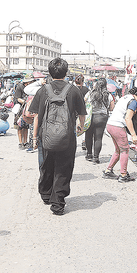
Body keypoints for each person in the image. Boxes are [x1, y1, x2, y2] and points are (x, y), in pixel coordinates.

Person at [30, 58, 87, 215]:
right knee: (63, 168)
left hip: (45, 135)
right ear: (66, 72)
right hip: (67, 136)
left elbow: (35, 116)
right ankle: (57, 203)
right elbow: (82, 114)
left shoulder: (42, 91)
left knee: (46, 165)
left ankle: (46, 194)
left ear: (49, 72)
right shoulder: (74, 90)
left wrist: (34, 138)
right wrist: (80, 127)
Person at [103, 86, 137, 182]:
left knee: (118, 150)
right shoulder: (133, 102)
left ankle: (108, 170)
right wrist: (133, 135)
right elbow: (128, 118)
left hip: (110, 124)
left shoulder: (126, 97)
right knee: (125, 150)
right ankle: (123, 175)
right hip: (117, 126)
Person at [84, 79, 115, 164]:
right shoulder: (108, 95)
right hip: (102, 117)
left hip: (90, 117)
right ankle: (96, 158)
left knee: (88, 136)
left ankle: (89, 154)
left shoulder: (90, 93)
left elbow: (84, 101)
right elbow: (112, 107)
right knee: (98, 138)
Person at [14, 76, 35, 149]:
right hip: (20, 108)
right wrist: (26, 102)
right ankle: (20, 142)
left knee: (26, 126)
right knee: (20, 126)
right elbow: (18, 98)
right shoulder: (20, 86)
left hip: (27, 109)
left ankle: (25, 142)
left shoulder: (32, 87)